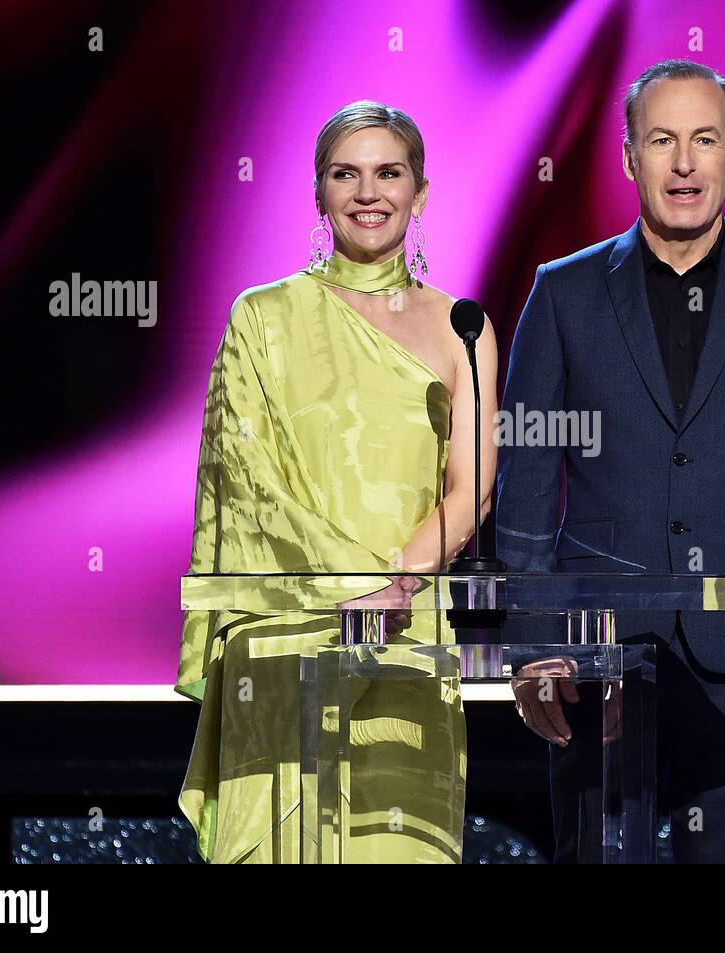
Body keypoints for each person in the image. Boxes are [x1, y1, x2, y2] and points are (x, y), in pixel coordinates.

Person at [496, 60, 725, 863]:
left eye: (705, 140)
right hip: (598, 659)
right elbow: (522, 484)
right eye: (662, 140)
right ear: (630, 157)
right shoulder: (564, 292)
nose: (685, 162)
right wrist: (530, 644)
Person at [176, 100, 497, 863]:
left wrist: (396, 581)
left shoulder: (463, 325)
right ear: (319, 192)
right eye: (345, 174)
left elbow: (473, 487)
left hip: (407, 627)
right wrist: (346, 587)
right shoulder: (261, 317)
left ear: (420, 191)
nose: (368, 192)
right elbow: (242, 486)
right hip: (285, 634)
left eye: (389, 173)